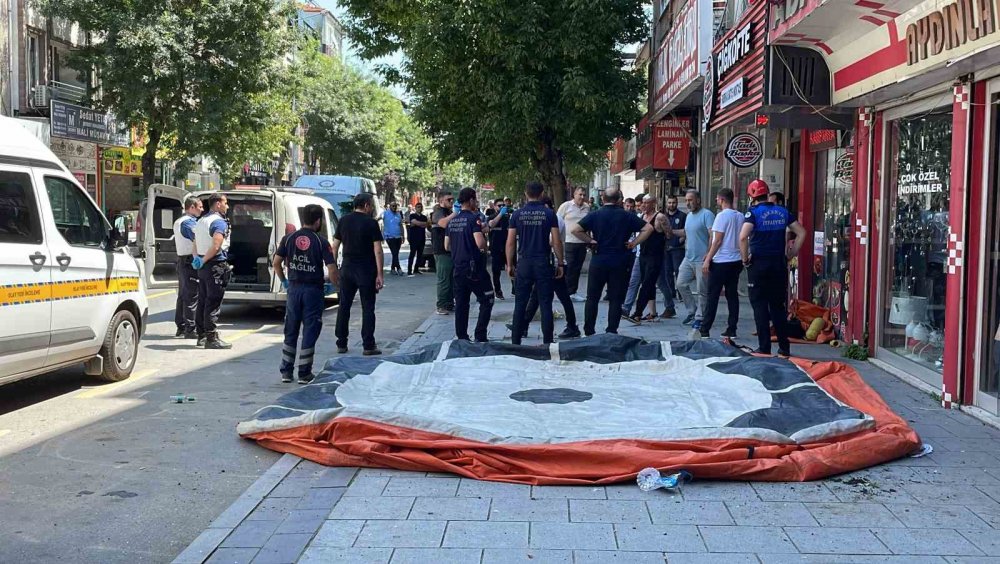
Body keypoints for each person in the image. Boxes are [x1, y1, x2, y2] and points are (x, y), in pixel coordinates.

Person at [572, 188, 653, 336]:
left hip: (599, 259)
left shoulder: (595, 215)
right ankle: (611, 330)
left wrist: (590, 240)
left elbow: (576, 230)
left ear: (603, 199)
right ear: (618, 200)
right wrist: (634, 243)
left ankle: (589, 330)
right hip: (619, 260)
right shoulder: (627, 216)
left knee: (592, 297)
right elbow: (648, 228)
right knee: (616, 298)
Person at [740, 179, 806, 357]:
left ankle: (764, 347)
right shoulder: (783, 212)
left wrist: (745, 259)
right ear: (767, 193)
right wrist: (791, 254)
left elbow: (742, 237)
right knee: (778, 307)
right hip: (778, 264)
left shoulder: (753, 213)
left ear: (752, 196)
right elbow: (802, 233)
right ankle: (784, 348)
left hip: (759, 264)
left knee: (760, 306)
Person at [273, 204, 336, 384]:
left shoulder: (288, 238)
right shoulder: (321, 241)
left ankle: (286, 371)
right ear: (318, 221)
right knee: (310, 329)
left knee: (291, 329)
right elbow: (331, 268)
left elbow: (276, 263)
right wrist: (335, 285)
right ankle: (304, 372)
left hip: (293, 289)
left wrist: (284, 281)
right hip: (313, 290)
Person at [516, 196, 581, 340]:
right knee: (538, 296)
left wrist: (559, 262)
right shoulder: (549, 217)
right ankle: (523, 325)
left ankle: (570, 326)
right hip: (548, 262)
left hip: (552, 262)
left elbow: (554, 241)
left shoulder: (554, 218)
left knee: (555, 297)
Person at [507, 181, 564, 345]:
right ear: (542, 193)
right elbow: (556, 240)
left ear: (526, 193)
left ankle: (515, 342)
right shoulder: (549, 214)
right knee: (546, 303)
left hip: (524, 262)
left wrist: (510, 264)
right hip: (543, 262)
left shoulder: (517, 215)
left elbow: (510, 242)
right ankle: (547, 342)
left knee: (520, 303)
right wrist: (560, 263)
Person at [332, 193, 385, 356]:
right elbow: (378, 250)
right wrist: (380, 274)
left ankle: (341, 342)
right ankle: (368, 345)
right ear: (367, 205)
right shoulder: (371, 223)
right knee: (368, 307)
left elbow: (334, 247)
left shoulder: (343, 221)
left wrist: (334, 268)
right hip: (366, 270)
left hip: (347, 269)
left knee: (344, 306)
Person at [445, 187, 494, 342]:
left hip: (458, 269)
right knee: (487, 299)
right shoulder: (474, 219)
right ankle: (480, 335)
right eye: (475, 200)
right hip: (475, 269)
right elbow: (480, 242)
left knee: (461, 304)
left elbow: (446, 246)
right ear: (471, 200)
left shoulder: (451, 221)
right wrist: (485, 248)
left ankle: (462, 338)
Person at [699, 188, 744, 339]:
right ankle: (732, 328)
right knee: (732, 295)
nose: (717, 202)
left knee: (713, 295)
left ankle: (705, 328)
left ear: (722, 199)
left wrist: (708, 259)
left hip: (721, 261)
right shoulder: (740, 216)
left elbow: (717, 240)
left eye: (717, 199)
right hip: (736, 260)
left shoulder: (721, 216)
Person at [192, 194, 232, 349]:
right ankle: (211, 337)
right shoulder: (218, 222)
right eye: (225, 203)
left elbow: (195, 242)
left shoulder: (201, 220)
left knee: (202, 300)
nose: (227, 206)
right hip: (215, 264)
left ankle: (201, 335)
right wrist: (204, 259)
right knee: (213, 301)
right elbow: (216, 245)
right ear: (217, 204)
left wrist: (198, 259)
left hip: (202, 265)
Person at [674, 190, 715, 331]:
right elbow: (686, 233)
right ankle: (692, 310)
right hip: (688, 257)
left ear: (698, 200)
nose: (688, 203)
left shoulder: (707, 214)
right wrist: (670, 231)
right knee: (680, 284)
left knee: (702, 290)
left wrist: (708, 254)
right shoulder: (689, 216)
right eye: (686, 200)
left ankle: (700, 317)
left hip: (701, 259)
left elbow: (712, 235)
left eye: (690, 200)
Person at [626, 195, 669, 323]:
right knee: (648, 285)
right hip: (642, 255)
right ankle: (652, 313)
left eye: (647, 203)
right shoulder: (642, 217)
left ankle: (637, 313)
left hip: (655, 256)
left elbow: (669, 234)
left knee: (646, 284)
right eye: (642, 203)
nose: (643, 205)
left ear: (654, 203)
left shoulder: (659, 217)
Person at [172, 197, 202, 339]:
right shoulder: (189, 223)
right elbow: (198, 239)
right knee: (192, 295)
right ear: (191, 207)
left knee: (183, 295)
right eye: (200, 207)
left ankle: (182, 327)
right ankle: (191, 329)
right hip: (190, 261)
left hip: (183, 260)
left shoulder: (180, 221)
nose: (202, 210)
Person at [557, 187, 591, 302]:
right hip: (568, 241)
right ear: (574, 195)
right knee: (570, 267)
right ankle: (566, 292)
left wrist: (589, 239)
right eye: (580, 194)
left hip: (582, 242)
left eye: (584, 195)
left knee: (577, 268)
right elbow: (558, 222)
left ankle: (573, 291)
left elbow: (589, 224)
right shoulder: (566, 206)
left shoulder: (587, 207)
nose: (582, 197)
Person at [657, 195, 686, 319]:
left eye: (673, 202)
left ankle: (681, 294)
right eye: (669, 202)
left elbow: (686, 230)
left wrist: (682, 239)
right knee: (667, 272)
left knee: (678, 270)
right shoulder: (663, 216)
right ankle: (671, 293)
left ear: (676, 203)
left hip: (677, 249)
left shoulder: (682, 216)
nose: (671, 205)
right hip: (665, 248)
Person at [431, 191, 456, 315]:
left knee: (451, 279)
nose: (451, 201)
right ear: (441, 201)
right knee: (444, 279)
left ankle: (449, 303)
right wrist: (456, 213)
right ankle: (441, 305)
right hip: (441, 251)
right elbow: (443, 223)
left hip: (450, 250)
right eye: (449, 200)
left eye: (452, 199)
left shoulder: (448, 212)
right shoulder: (438, 213)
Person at [486, 197, 512, 299]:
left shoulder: (508, 218)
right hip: (496, 247)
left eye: (503, 205)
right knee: (496, 271)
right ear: (495, 206)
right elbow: (491, 224)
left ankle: (515, 289)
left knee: (513, 267)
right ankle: (498, 291)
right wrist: (500, 214)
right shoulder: (491, 216)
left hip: (508, 246)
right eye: (499, 206)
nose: (501, 207)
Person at [382, 202, 405, 276]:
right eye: (393, 206)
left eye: (395, 206)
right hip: (389, 236)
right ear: (390, 206)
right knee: (394, 252)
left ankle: (392, 269)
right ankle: (399, 268)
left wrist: (403, 235)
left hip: (398, 236)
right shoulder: (385, 213)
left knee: (395, 253)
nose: (394, 207)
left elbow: (401, 225)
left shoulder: (398, 214)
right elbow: (379, 219)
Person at [406, 202, 428, 276]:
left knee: (420, 255)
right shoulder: (412, 215)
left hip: (422, 238)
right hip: (414, 238)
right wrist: (420, 223)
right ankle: (409, 270)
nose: (419, 208)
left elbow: (426, 224)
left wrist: (417, 224)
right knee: (412, 254)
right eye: (418, 207)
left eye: (420, 207)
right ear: (415, 208)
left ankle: (416, 269)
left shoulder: (424, 217)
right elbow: (414, 222)